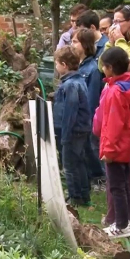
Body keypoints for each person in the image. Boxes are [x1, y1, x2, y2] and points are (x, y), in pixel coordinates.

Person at [93, 47, 130, 238]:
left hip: (115, 148)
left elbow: (113, 124)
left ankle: (121, 225)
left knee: (116, 187)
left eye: (104, 67)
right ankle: (125, 221)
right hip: (127, 144)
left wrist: (109, 150)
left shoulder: (114, 92)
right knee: (123, 184)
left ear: (110, 68)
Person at [53, 46, 93, 207]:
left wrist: (65, 135)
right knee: (80, 162)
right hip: (81, 130)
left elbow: (70, 111)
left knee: (70, 165)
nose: (56, 67)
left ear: (64, 65)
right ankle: (84, 194)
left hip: (72, 131)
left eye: (56, 63)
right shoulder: (78, 80)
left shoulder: (70, 86)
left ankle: (75, 196)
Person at [72, 28, 105, 189]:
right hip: (77, 118)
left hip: (87, 118)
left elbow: (91, 99)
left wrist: (87, 120)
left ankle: (99, 179)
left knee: (91, 148)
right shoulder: (77, 66)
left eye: (75, 41)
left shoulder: (92, 69)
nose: (72, 45)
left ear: (85, 45)